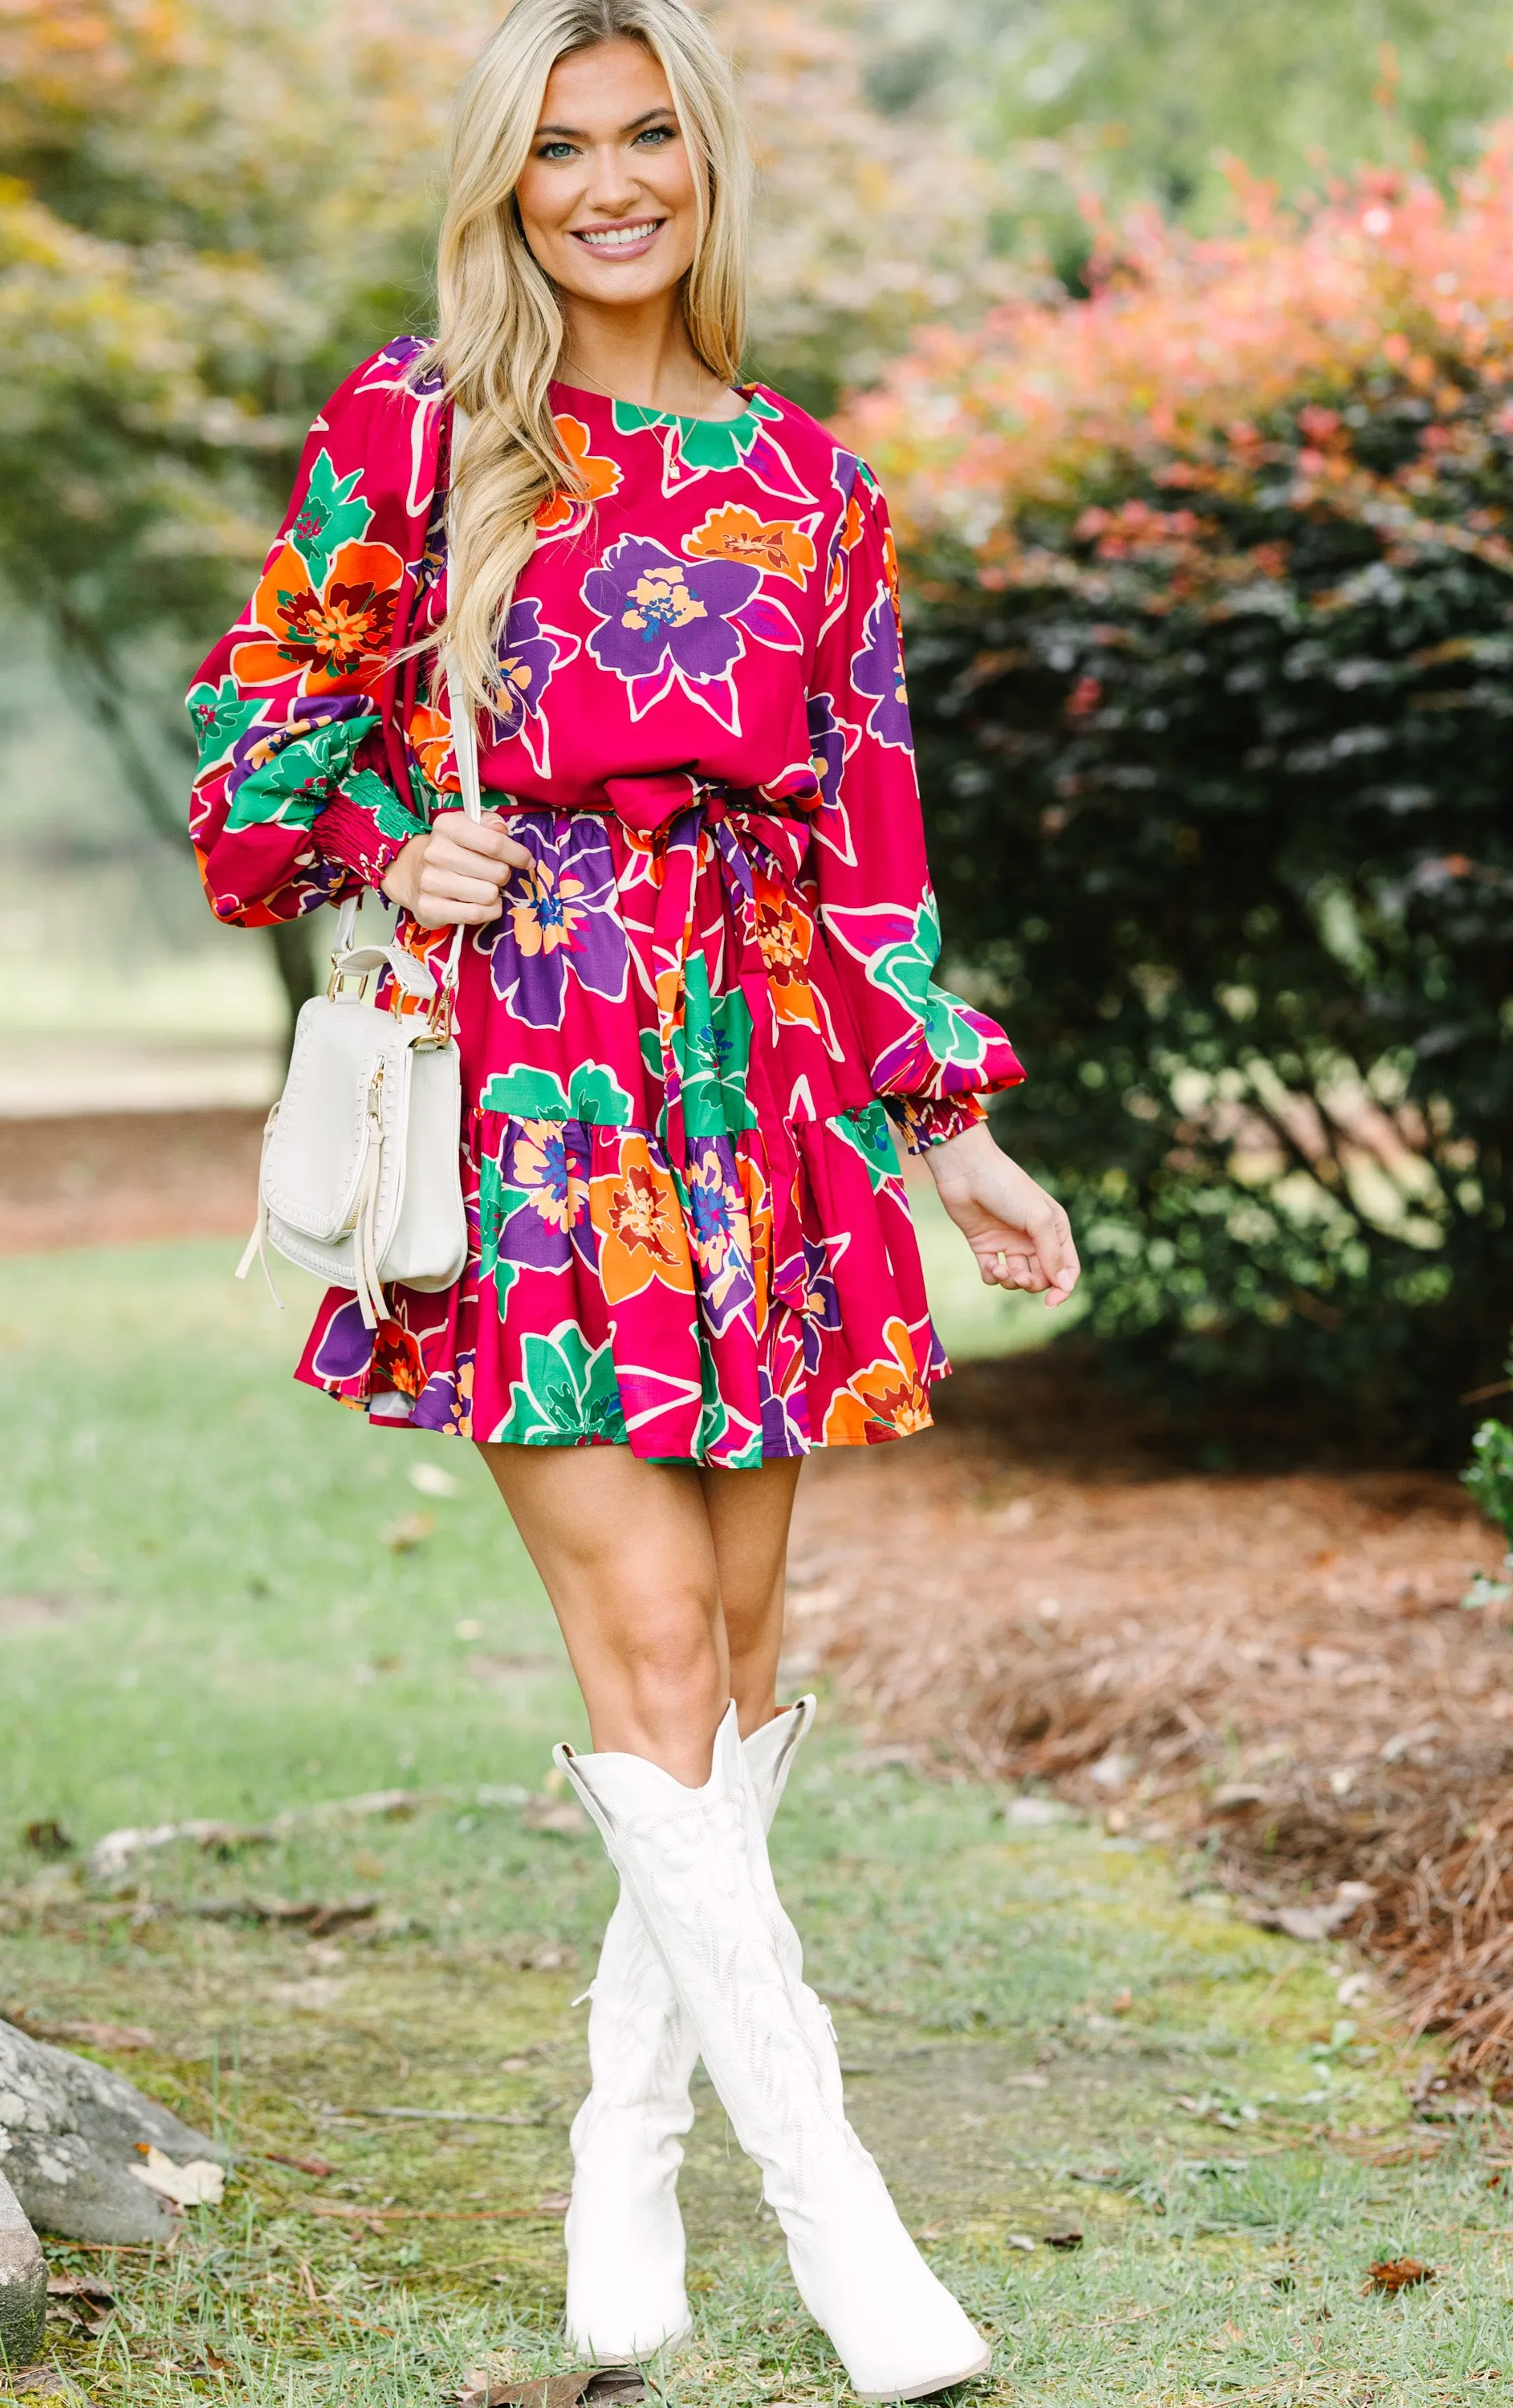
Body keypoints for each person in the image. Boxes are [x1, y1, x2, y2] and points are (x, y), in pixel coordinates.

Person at [188, 0, 1079, 2392]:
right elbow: (247, 745)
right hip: (531, 1087)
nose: (605, 183)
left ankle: (622, 2191)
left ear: (705, 167)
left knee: (738, 1680)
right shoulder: (425, 426)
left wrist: (953, 1125)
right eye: (557, 147)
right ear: (505, 184)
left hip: (762, 1093)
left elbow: (870, 841)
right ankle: (847, 2231)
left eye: (645, 136)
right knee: (656, 1657)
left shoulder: (816, 482)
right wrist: (400, 838)